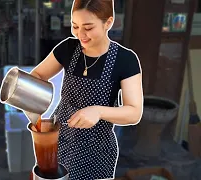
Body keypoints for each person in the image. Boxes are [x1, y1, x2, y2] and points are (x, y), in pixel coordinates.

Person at [30, 0, 143, 179]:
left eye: (88, 28)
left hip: (96, 152)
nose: (80, 34)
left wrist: (98, 111)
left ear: (108, 22)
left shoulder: (125, 59)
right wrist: (27, 95)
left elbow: (134, 113)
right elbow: (38, 75)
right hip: (61, 141)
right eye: (75, 26)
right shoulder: (68, 48)